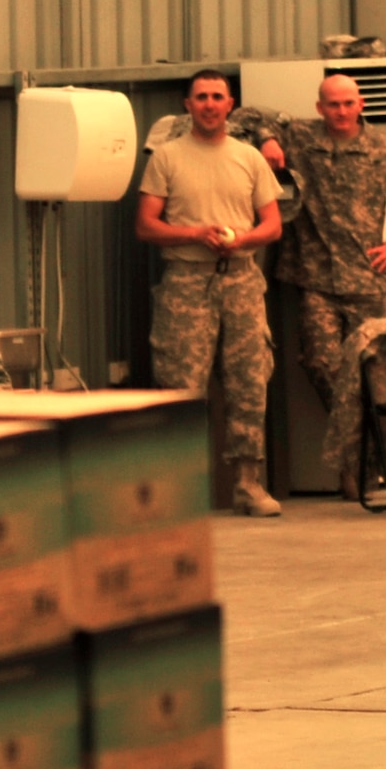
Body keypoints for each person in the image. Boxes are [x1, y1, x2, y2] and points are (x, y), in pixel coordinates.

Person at [256, 73, 386, 497]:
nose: (341, 111)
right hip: (313, 275)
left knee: (376, 373)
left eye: (348, 103)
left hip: (367, 279)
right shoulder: (299, 137)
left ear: (361, 106)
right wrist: (267, 139)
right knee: (322, 364)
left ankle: (371, 465)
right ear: (319, 107)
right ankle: (363, 457)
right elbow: (247, 115)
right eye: (332, 104)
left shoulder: (383, 149)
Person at [137, 70, 285, 516]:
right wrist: (196, 233)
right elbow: (146, 225)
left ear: (230, 105)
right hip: (186, 280)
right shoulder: (166, 157)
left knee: (249, 380)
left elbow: (273, 224)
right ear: (187, 104)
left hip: (240, 278)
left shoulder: (249, 158)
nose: (208, 104)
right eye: (200, 97)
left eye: (217, 97)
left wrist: (241, 241)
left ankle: (247, 483)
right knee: (182, 386)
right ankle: (179, 490)